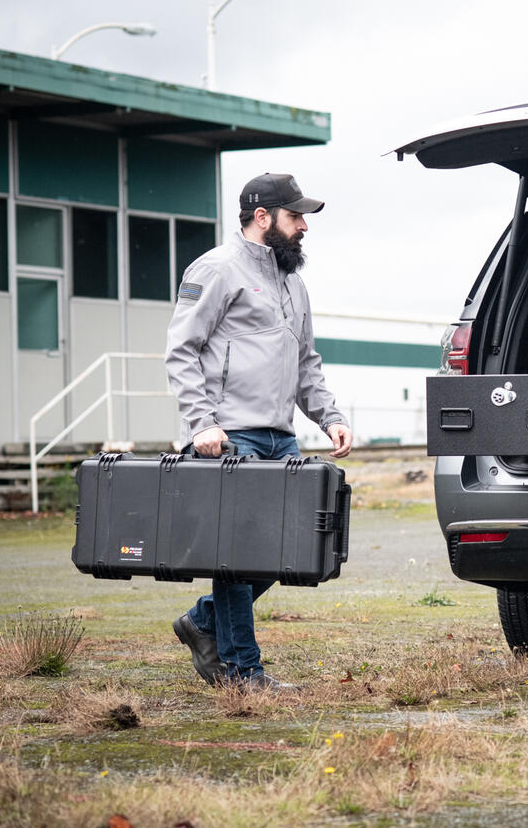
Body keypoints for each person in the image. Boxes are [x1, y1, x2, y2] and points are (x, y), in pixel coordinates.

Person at [166, 172, 353, 690]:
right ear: (263, 217)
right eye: (296, 217)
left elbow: (306, 360)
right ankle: (244, 672)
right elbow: (181, 351)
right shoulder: (216, 268)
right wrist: (201, 424)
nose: (303, 228)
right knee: (238, 554)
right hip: (227, 435)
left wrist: (329, 416)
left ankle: (202, 622)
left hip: (279, 435)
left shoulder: (293, 280)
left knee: (284, 548)